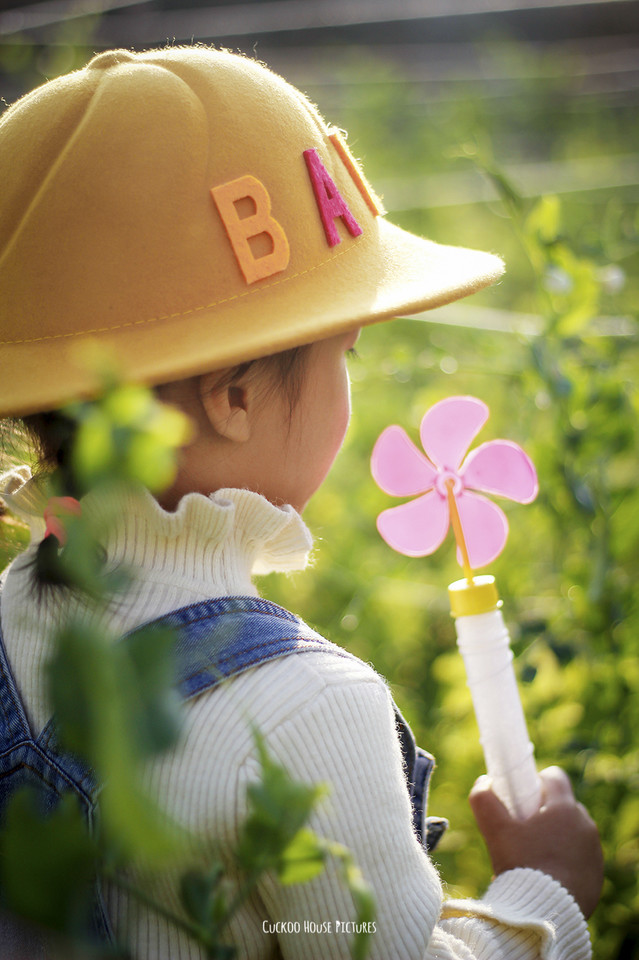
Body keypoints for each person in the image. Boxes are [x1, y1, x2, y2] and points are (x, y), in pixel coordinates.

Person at [0, 45, 603, 960]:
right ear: (234, 396)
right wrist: (545, 897)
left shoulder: (17, 612)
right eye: (344, 351)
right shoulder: (307, 714)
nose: (350, 382)